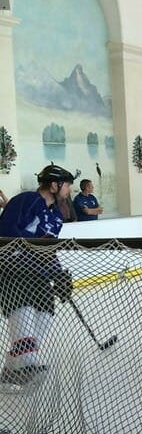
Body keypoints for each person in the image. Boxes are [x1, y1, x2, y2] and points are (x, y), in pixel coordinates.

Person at [0, 164, 75, 386]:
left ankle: (13, 368)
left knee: (45, 312)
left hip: (36, 274)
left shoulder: (56, 218)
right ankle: (25, 365)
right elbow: (5, 233)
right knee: (22, 309)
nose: (69, 189)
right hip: (11, 271)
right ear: (54, 185)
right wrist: (29, 253)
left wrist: (59, 275)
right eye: (67, 185)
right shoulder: (25, 201)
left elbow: (48, 251)